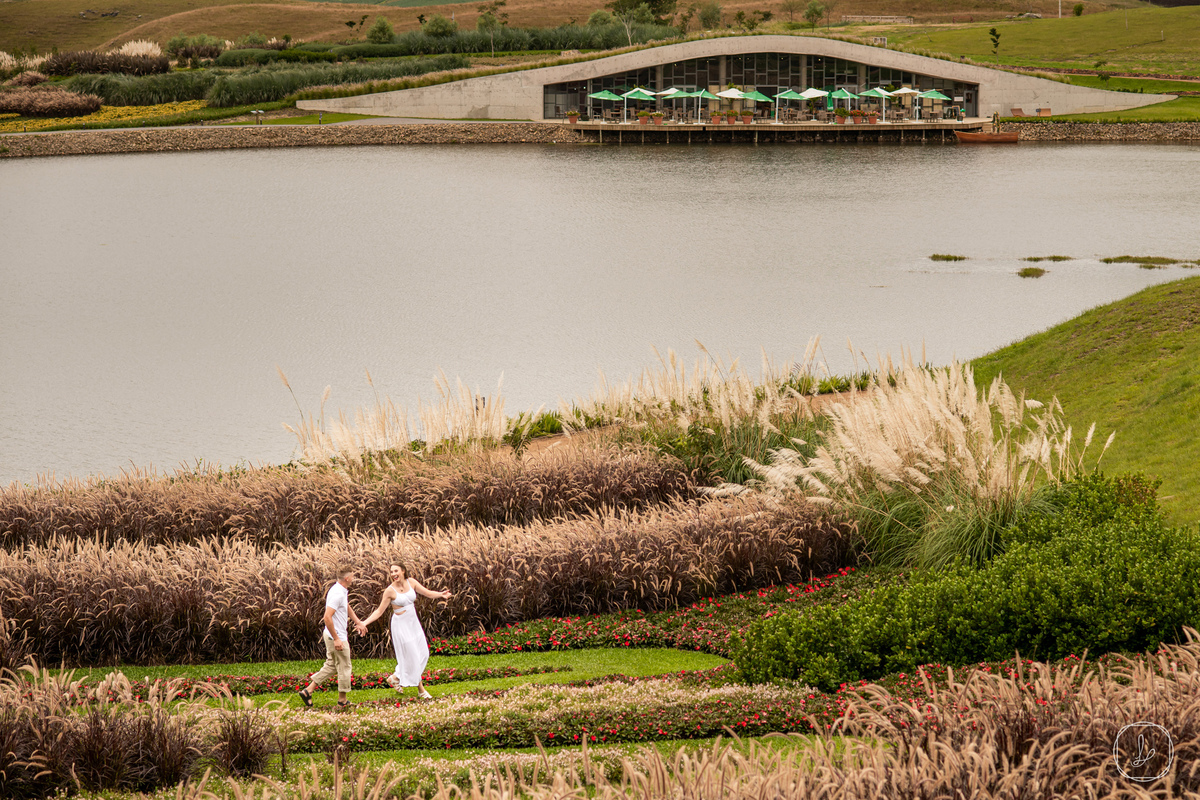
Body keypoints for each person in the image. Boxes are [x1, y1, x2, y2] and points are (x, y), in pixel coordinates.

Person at [361, 563, 451, 700]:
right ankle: (421, 690)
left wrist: (441, 595)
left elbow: (427, 593)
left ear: (403, 571)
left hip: (413, 623)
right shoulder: (390, 591)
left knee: (424, 654)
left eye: (396, 571)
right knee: (413, 656)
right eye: (391, 571)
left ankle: (396, 677)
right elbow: (379, 611)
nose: (393, 574)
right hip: (400, 625)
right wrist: (364, 623)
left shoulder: (412, 582)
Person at [298, 565, 367, 708]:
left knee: (332, 665)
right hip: (336, 636)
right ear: (347, 578)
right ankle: (342, 701)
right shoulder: (337, 593)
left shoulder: (340, 590)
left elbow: (346, 606)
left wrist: (358, 622)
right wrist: (336, 639)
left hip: (332, 634)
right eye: (352, 576)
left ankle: (308, 691)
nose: (353, 579)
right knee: (344, 667)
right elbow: (327, 617)